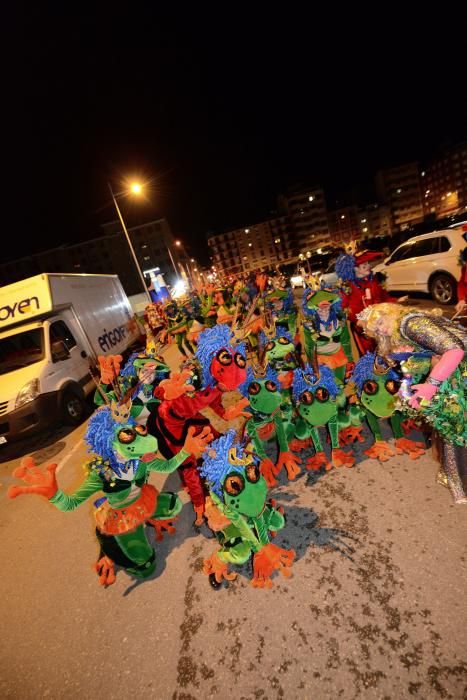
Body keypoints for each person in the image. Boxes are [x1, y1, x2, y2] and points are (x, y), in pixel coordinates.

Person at [357, 302, 466, 505]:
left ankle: (458, 481)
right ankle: (456, 480)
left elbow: (455, 351)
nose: (381, 329)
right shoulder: (404, 331)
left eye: (380, 322)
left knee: (454, 426)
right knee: (451, 426)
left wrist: (431, 385)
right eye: (375, 330)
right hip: (456, 374)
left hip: (461, 371)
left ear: (391, 313)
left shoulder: (410, 324)